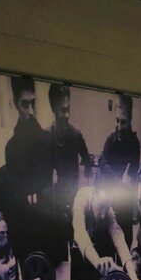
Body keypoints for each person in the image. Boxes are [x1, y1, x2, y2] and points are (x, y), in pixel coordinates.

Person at [72, 184, 141, 280]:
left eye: (107, 208)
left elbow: (118, 237)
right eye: (101, 207)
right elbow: (79, 232)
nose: (103, 214)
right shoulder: (81, 198)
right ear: (93, 194)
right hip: (80, 258)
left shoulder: (106, 208)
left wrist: (133, 276)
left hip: (95, 258)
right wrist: (97, 261)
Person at [48, 83, 93, 232]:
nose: (67, 115)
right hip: (54, 203)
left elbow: (88, 162)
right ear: (52, 108)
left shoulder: (76, 134)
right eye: (62, 110)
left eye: (68, 109)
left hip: (75, 200)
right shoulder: (45, 136)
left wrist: (83, 189)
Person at [2, 75, 52, 206]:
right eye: (25, 104)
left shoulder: (48, 139)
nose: (31, 111)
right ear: (15, 103)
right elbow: (15, 197)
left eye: (33, 103)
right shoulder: (11, 148)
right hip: (24, 219)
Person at [98, 93, 141, 186]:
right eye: (117, 120)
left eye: (123, 122)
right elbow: (102, 165)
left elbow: (131, 178)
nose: (119, 127)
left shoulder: (135, 145)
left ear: (130, 120)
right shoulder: (109, 140)